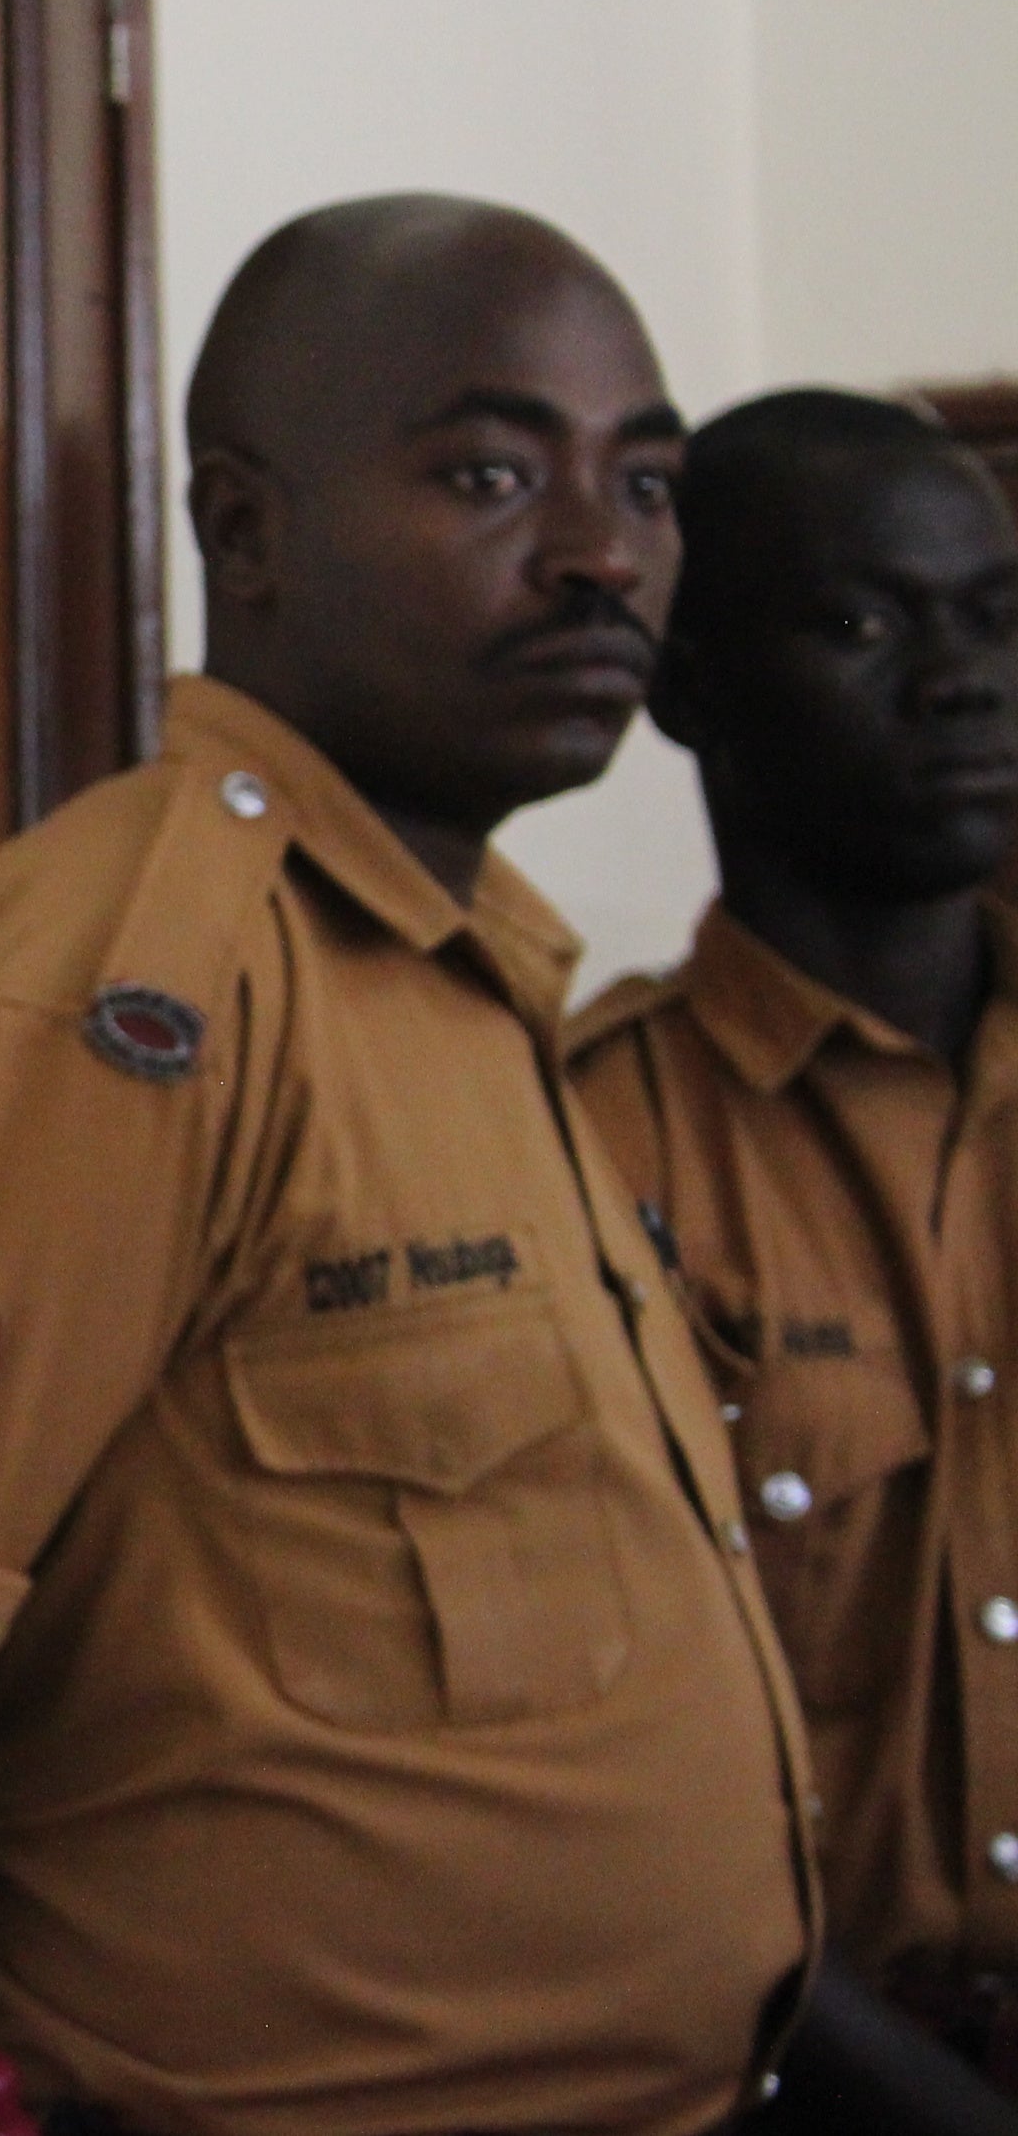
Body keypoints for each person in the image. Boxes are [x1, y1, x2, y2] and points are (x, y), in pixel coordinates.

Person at [0, 195, 817, 2136]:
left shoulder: (476, 978)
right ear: (241, 531)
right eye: (483, 471)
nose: (601, 554)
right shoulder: (143, 984)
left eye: (645, 482)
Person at [573, 392, 1018, 2081]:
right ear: (687, 685)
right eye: (862, 623)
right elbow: (590, 1779)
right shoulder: (590, 1143)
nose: (963, 678)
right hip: (777, 2083)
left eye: (995, 616)